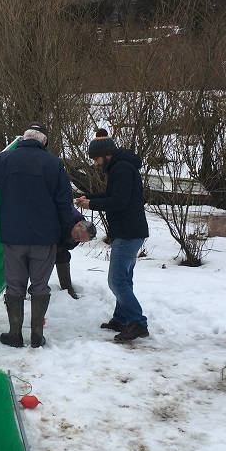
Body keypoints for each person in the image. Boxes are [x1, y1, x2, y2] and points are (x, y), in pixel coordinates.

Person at [0, 122, 78, 348]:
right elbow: (64, 204)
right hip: (44, 238)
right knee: (40, 286)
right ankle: (37, 336)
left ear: (24, 138)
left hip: (13, 236)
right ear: (44, 141)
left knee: (15, 285)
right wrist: (67, 233)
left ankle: (14, 335)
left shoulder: (4, 160)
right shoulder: (54, 164)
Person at [75, 129, 150, 341]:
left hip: (128, 232)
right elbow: (111, 195)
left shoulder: (122, 168)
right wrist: (89, 197)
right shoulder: (120, 166)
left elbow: (119, 201)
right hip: (130, 231)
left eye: (97, 159)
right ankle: (121, 318)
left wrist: (91, 204)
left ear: (106, 154)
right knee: (124, 279)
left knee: (116, 281)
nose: (96, 163)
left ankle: (138, 323)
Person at [55, 206, 97, 299]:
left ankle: (67, 289)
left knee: (63, 256)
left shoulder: (79, 229)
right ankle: (37, 290)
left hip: (59, 242)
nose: (76, 240)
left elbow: (67, 246)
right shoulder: (67, 216)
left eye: (79, 240)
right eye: (77, 237)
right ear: (78, 225)